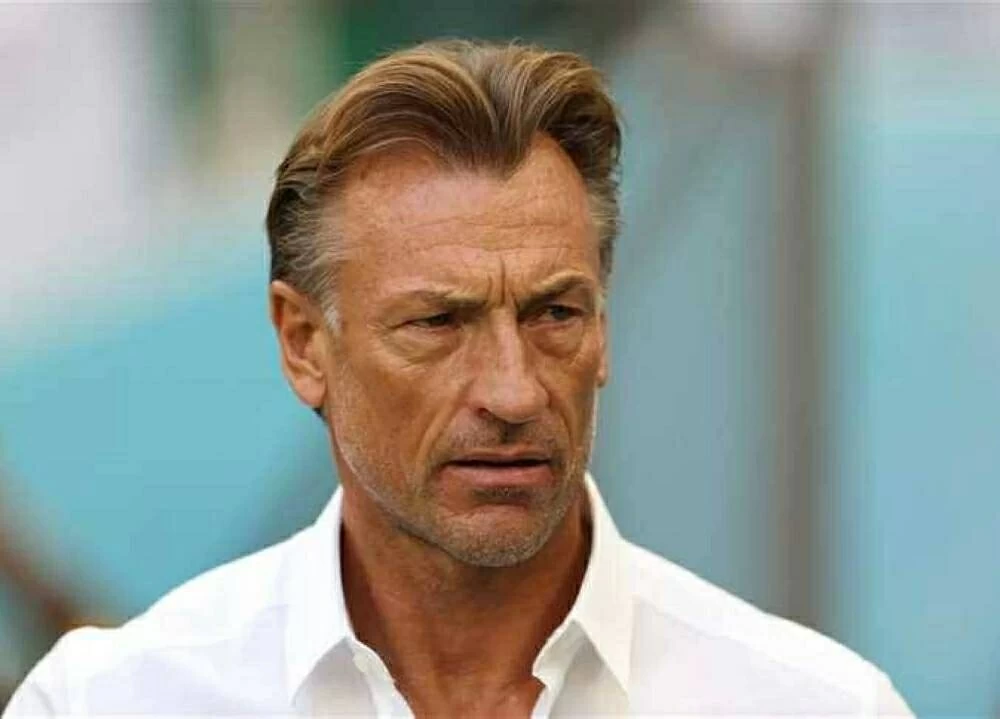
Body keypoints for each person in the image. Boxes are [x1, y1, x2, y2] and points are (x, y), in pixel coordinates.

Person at [4, 40, 912, 717]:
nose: (514, 391)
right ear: (304, 343)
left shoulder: (814, 704)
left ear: (603, 327)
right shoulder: (112, 702)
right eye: (438, 323)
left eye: (555, 313)